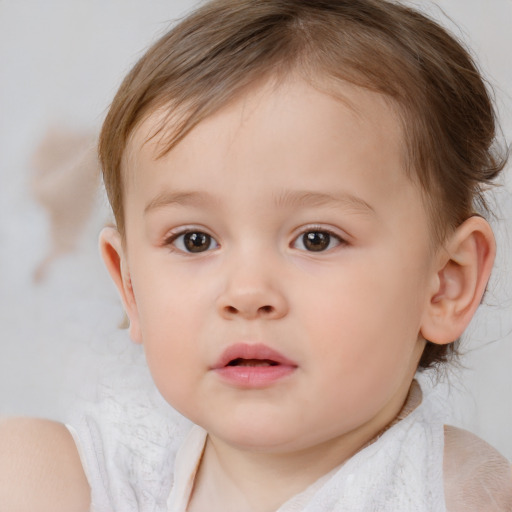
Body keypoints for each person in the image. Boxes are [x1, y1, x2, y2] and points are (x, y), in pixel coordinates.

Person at [1, 0, 511, 510]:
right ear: (130, 286)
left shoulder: (458, 494)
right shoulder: (77, 478)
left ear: (446, 282)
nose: (247, 293)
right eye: (194, 240)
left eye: (316, 239)